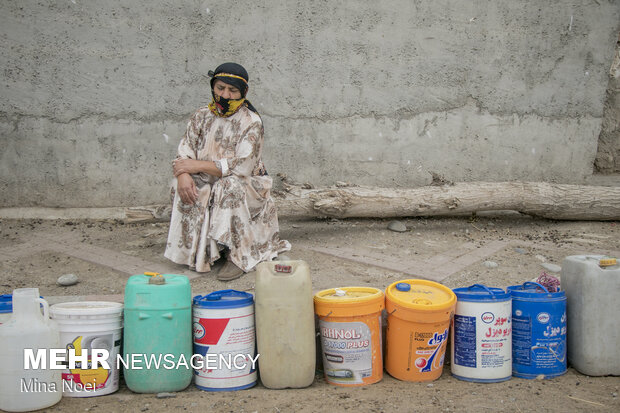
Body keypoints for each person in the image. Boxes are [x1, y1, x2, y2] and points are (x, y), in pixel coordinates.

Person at [164, 62, 290, 280]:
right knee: (182, 183)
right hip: (209, 179)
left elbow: (242, 167)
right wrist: (184, 174)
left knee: (227, 186)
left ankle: (237, 255)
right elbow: (184, 153)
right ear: (213, 87)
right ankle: (200, 252)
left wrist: (197, 166)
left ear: (244, 92)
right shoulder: (201, 116)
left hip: (247, 185)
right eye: (220, 88)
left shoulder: (251, 122)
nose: (225, 95)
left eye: (233, 90)